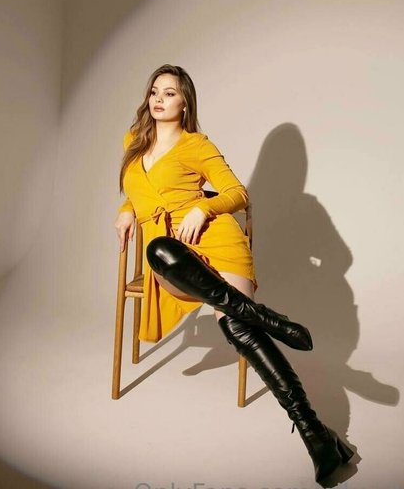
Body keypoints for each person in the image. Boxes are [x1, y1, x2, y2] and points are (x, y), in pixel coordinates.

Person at [115, 64, 354, 483]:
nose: (159, 99)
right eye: (154, 91)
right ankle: (267, 318)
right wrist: (125, 210)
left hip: (215, 240)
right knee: (159, 250)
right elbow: (137, 191)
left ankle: (316, 436)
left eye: (169, 93)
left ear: (185, 102)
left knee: (236, 326)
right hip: (172, 256)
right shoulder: (134, 141)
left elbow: (237, 193)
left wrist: (202, 207)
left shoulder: (197, 144)